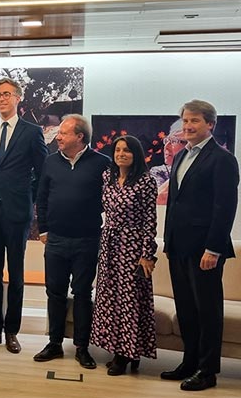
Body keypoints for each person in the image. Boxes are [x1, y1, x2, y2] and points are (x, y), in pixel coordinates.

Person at [161, 100, 239, 391]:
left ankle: (208, 371)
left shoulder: (222, 159)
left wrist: (214, 248)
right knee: (186, 309)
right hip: (179, 247)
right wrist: (168, 240)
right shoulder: (181, 157)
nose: (188, 126)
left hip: (205, 250)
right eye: (185, 121)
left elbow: (225, 207)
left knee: (207, 311)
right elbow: (174, 204)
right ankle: (189, 361)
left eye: (194, 121)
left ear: (210, 124)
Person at [0, 77, 47, 353]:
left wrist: (29, 198)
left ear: (18, 98)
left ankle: (11, 331)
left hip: (17, 212)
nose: (1, 99)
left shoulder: (31, 132)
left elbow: (41, 173)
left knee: (15, 275)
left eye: (6, 94)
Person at [33, 114, 109, 368]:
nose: (59, 137)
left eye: (64, 133)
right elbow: (41, 198)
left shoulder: (102, 163)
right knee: (54, 293)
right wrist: (43, 230)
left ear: (80, 136)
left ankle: (82, 347)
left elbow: (111, 200)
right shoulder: (51, 162)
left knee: (82, 294)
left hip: (87, 240)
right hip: (55, 239)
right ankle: (54, 343)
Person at [90, 135, 158, 376]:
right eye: (118, 150)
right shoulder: (107, 176)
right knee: (110, 298)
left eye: (127, 151)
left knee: (130, 301)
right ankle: (122, 349)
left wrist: (147, 254)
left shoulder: (146, 181)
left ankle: (126, 354)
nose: (121, 154)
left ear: (136, 154)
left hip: (133, 246)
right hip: (109, 243)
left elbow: (150, 220)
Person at [149, 120, 187, 205]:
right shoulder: (159, 172)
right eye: (166, 140)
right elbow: (159, 199)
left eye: (175, 141)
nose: (166, 147)